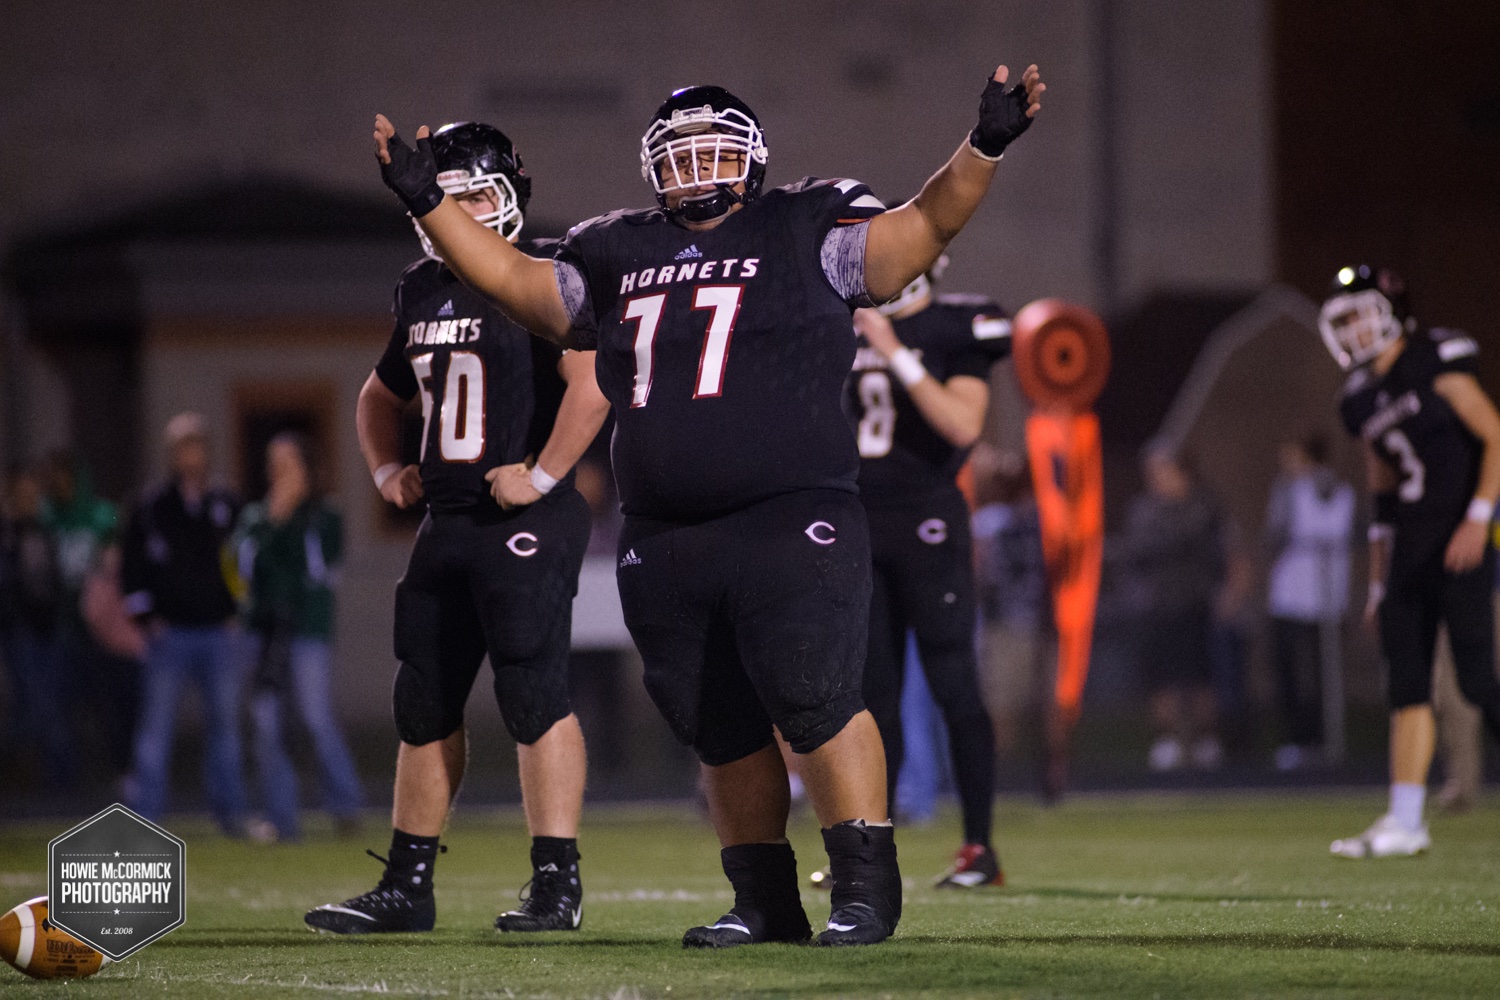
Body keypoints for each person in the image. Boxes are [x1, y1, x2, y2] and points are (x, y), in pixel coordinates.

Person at [373, 60, 1044, 946]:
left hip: (790, 511)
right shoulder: (615, 245)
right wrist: (430, 205)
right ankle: (764, 902)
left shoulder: (807, 221)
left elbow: (916, 233)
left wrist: (983, 146)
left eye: (713, 152)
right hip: (666, 531)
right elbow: (518, 285)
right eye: (679, 155)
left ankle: (865, 891)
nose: (696, 169)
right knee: (716, 722)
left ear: (753, 157)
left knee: (816, 697)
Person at [308, 122, 609, 935]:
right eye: (448, 198)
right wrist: (383, 471)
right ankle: (408, 885)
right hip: (448, 522)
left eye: (476, 195)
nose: (461, 213)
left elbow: (593, 385)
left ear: (510, 195)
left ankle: (557, 883)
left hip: (526, 519)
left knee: (531, 691)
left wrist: (543, 472)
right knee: (423, 698)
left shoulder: (549, 274)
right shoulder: (421, 287)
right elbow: (379, 395)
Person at [1321, 265, 1500, 858]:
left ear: (1390, 311)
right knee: (1407, 685)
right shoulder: (1360, 396)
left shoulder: (1434, 362)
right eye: (1341, 319)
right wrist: (1376, 580)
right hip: (1411, 547)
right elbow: (1381, 493)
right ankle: (1404, 820)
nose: (1350, 329)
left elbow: (1496, 435)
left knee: (1478, 680)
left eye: (1358, 313)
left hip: (1462, 535)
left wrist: (1479, 517)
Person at [844, 263, 1011, 887]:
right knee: (869, 700)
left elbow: (963, 426)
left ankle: (979, 849)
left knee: (954, 684)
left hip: (928, 523)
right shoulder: (845, 326)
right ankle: (868, 858)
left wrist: (893, 349)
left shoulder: (955, 324)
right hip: (859, 524)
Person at [121, 413, 247, 834]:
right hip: (170, 632)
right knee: (155, 730)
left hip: (217, 631)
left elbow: (243, 561)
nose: (190, 455)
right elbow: (132, 566)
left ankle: (229, 815)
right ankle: (146, 817)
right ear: (173, 455)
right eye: (182, 447)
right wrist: (145, 616)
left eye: (197, 445)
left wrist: (238, 610)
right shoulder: (153, 506)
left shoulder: (227, 504)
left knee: (225, 728)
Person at [234, 432, 363, 843]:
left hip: (308, 628)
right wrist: (275, 521)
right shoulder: (257, 516)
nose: (281, 472)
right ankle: (281, 817)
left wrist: (290, 524)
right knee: (268, 721)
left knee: (314, 715)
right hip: (265, 632)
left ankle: (346, 805)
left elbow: (319, 568)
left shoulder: (326, 514)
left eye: (290, 463)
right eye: (275, 464)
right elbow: (249, 569)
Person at [1120, 448, 1229, 772]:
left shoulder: (1203, 507)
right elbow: (1137, 553)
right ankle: (1168, 741)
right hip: (1157, 607)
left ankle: (1206, 740)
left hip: (1195, 604)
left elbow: (1219, 552)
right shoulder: (1144, 511)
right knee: (1162, 678)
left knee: (1201, 677)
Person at [1263, 435, 1354, 771]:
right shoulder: (1343, 490)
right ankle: (1322, 738)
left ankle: (1302, 740)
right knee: (1320, 673)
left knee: (1297, 672)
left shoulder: (1291, 490)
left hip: (1294, 593)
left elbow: (1274, 534)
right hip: (1329, 595)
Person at [0, 464, 73, 788]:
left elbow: (55, 579)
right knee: (36, 706)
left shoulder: (44, 531)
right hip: (21, 632)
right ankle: (56, 780)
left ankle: (57, 780)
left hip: (49, 629)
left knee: (49, 703)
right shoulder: (8, 534)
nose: (30, 500)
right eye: (24, 494)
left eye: (34, 494)